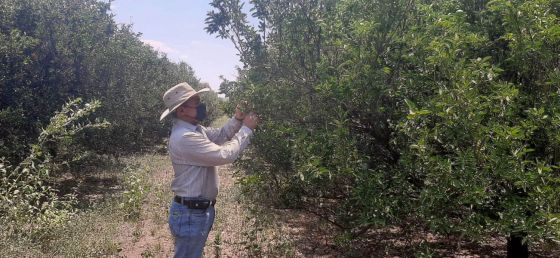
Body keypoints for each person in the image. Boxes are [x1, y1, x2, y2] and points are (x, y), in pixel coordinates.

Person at [159, 82, 258, 258]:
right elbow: (225, 154)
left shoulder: (195, 129)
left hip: (196, 211)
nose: (201, 105)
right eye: (196, 102)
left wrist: (237, 119)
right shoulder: (184, 137)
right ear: (181, 110)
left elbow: (220, 135)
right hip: (190, 213)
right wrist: (246, 130)